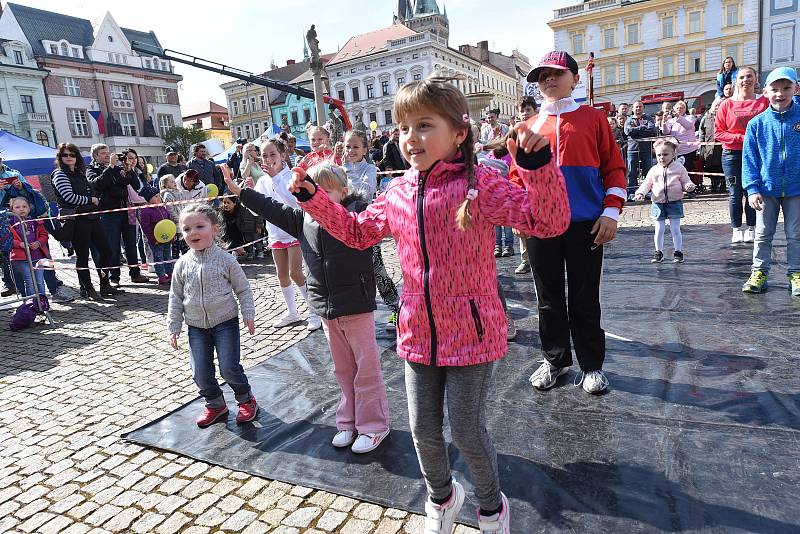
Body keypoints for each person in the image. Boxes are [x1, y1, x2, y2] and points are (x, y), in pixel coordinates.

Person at [289, 74, 570, 534]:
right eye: (403, 128)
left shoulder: (480, 185)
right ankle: (441, 498)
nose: (410, 138)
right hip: (418, 331)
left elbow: (548, 222)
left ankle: (491, 508)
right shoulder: (398, 191)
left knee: (466, 431)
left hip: (473, 333)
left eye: (423, 125)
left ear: (458, 133)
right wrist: (314, 199)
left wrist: (539, 168)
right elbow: (359, 232)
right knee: (422, 430)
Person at [229, 163, 392, 453]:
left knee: (366, 370)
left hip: (356, 304)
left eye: (324, 192)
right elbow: (272, 209)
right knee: (343, 370)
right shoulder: (302, 219)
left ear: (342, 192)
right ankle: (348, 422)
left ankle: (374, 425)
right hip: (328, 309)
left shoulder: (354, 215)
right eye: (309, 191)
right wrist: (242, 193)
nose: (316, 197)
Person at [521, 51, 626, 395]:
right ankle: (555, 360)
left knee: (585, 298)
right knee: (548, 298)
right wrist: (521, 214)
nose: (548, 79)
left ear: (575, 79)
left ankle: (592, 366)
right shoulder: (526, 128)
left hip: (586, 225)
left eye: (557, 73)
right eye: (542, 75)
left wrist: (611, 212)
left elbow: (614, 169)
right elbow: (514, 179)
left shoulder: (595, 120)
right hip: (541, 228)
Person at [167, 203, 259, 428]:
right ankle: (215, 404)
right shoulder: (182, 264)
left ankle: (246, 399)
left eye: (200, 226)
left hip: (225, 323)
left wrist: (248, 312)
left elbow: (243, 288)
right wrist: (174, 325)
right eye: (187, 229)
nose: (193, 233)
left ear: (215, 229)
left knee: (229, 367)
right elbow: (175, 296)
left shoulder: (226, 260)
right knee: (200, 372)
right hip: (196, 327)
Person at [741, 67, 800, 295]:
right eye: (774, 89)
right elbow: (749, 159)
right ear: (765, 91)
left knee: (795, 233)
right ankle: (759, 271)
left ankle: (796, 273)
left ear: (796, 88)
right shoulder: (757, 124)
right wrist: (753, 189)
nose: (780, 93)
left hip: (796, 189)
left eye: (786, 88)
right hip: (766, 189)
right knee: (763, 233)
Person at [252, 138, 321, 330]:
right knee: (282, 274)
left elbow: (292, 202)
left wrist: (276, 177)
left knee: (295, 272)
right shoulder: (262, 181)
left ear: (282, 155)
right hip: (275, 234)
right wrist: (248, 193)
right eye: (264, 155)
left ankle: (314, 310)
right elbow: (257, 210)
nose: (268, 159)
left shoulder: (290, 176)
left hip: (294, 232)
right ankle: (292, 311)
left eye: (273, 154)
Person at [342, 129, 401, 331]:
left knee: (377, 270)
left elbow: (364, 192)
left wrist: (348, 171)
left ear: (365, 149)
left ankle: (397, 309)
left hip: (367, 226)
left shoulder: (369, 169)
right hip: (346, 227)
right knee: (350, 272)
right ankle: (356, 315)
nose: (351, 151)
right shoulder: (340, 167)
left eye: (356, 147)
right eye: (348, 146)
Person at [51, 143, 116, 300]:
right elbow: (69, 197)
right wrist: (90, 199)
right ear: (60, 157)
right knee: (82, 256)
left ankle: (104, 283)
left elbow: (91, 190)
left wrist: (94, 199)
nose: (69, 157)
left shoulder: (80, 173)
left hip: (92, 217)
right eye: (65, 155)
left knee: (107, 251)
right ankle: (88, 289)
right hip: (77, 220)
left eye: (72, 154)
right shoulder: (59, 174)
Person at [715, 66, 769, 244]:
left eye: (749, 76)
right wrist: (743, 138)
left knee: (752, 191)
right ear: (736, 81)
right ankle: (737, 228)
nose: (745, 80)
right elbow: (719, 133)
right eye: (741, 77)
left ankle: (752, 227)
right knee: (734, 193)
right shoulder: (726, 104)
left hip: (757, 155)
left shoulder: (764, 102)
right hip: (731, 155)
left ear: (755, 79)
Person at [86, 144, 149, 285]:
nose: (107, 155)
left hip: (126, 211)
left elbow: (133, 184)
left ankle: (135, 273)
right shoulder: (92, 170)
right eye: (103, 153)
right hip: (109, 213)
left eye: (108, 152)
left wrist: (129, 170)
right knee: (113, 246)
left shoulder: (118, 168)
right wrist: (111, 168)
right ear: (95, 156)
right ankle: (114, 277)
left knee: (131, 244)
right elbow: (97, 185)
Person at [634, 137, 696, 263]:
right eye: (659, 155)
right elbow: (646, 184)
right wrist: (640, 192)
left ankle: (678, 252)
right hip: (657, 202)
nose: (662, 157)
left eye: (665, 154)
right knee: (659, 229)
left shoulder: (679, 168)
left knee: (675, 229)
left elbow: (686, 181)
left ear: (673, 154)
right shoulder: (654, 169)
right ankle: (658, 252)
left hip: (675, 202)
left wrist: (689, 187)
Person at [8, 196, 50, 310]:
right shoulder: (9, 224)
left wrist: (38, 242)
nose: (21, 209)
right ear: (12, 210)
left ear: (29, 208)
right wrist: (19, 244)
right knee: (29, 282)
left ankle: (42, 304)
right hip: (22, 259)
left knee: (40, 282)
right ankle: (31, 306)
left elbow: (44, 235)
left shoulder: (35, 222)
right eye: (17, 207)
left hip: (37, 257)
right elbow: (8, 240)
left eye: (24, 206)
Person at [513, 97, 539, 275]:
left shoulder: (542, 129)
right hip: (524, 188)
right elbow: (515, 165)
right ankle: (526, 259)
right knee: (523, 225)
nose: (524, 113)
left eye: (528, 109)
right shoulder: (516, 133)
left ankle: (542, 257)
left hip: (541, 188)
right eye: (522, 110)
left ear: (535, 111)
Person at [137, 185, 175, 285]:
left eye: (159, 196)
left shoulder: (162, 207)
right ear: (149, 199)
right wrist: (153, 238)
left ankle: (170, 274)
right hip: (156, 240)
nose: (159, 198)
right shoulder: (146, 211)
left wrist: (172, 234)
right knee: (158, 257)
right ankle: (161, 276)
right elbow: (145, 227)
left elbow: (168, 221)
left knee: (168, 256)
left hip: (167, 238)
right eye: (155, 196)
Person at [624, 101, 658, 200]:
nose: (638, 109)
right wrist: (643, 128)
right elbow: (628, 131)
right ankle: (631, 192)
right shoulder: (629, 120)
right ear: (633, 109)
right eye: (636, 107)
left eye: (640, 107)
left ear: (643, 108)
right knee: (632, 172)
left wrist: (636, 130)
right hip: (632, 149)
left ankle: (648, 191)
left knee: (648, 171)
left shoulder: (648, 118)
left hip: (646, 149)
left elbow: (652, 130)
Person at [662, 100, 700, 187]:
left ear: (685, 109)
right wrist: (664, 121)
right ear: (674, 109)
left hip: (688, 149)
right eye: (677, 108)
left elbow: (688, 126)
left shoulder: (690, 117)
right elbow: (666, 132)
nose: (679, 109)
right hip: (676, 150)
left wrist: (678, 117)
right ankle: (679, 187)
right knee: (677, 170)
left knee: (688, 169)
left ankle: (691, 188)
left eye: (682, 108)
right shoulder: (671, 120)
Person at [699, 100, 725, 193]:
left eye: (719, 105)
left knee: (721, 166)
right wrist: (701, 143)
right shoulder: (706, 118)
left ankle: (723, 184)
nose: (717, 107)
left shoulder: (724, 116)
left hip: (721, 147)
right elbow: (702, 132)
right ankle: (713, 184)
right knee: (711, 166)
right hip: (709, 147)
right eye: (716, 105)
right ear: (712, 106)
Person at [159, 174, 184, 259]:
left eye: (174, 181)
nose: (174, 183)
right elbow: (170, 211)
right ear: (165, 185)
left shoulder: (178, 192)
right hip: (175, 225)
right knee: (175, 248)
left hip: (181, 223)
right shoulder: (167, 195)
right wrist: (179, 219)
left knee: (184, 247)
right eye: (171, 181)